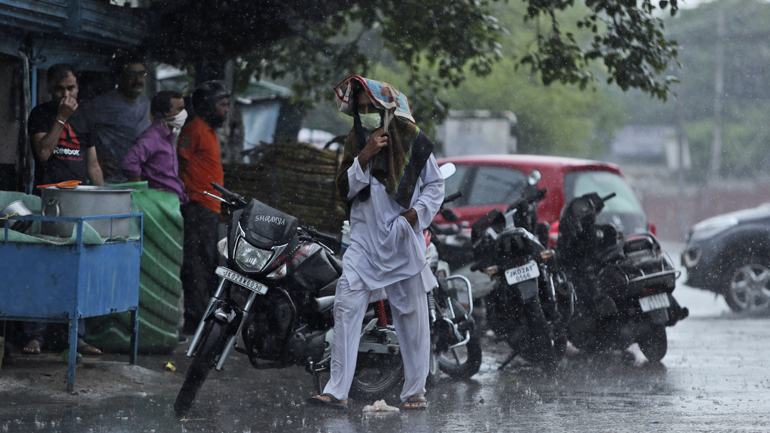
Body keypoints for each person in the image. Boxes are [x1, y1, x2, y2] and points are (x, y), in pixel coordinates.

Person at [309, 76, 444, 410]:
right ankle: (336, 390)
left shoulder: (411, 138)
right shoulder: (356, 141)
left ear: (387, 108)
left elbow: (435, 186)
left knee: (411, 317)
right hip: (363, 243)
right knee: (345, 307)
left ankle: (415, 390)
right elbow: (346, 190)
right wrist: (365, 155)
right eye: (362, 107)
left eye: (372, 107)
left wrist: (413, 217)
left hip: (400, 241)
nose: (366, 112)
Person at [24, 63, 104, 356]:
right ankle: (36, 336)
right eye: (60, 89)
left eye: (71, 88)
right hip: (49, 203)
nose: (66, 94)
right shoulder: (41, 114)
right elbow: (43, 153)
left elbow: (93, 163)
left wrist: (103, 199)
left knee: (78, 270)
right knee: (44, 269)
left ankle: (75, 336)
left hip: (80, 203)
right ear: (50, 89)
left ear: (78, 88)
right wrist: (61, 118)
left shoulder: (86, 116)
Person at [177, 80, 230, 335]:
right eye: (222, 104)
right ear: (208, 105)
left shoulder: (209, 130)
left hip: (210, 207)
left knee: (208, 262)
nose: (226, 109)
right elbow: (178, 163)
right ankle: (195, 320)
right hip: (197, 205)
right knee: (196, 264)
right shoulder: (194, 129)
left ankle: (205, 320)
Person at [83, 55, 151, 182]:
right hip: (110, 181)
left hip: (138, 180)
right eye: (131, 74)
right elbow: (77, 132)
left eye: (142, 74)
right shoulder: (101, 105)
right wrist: (91, 163)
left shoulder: (146, 104)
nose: (138, 79)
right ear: (119, 78)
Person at [121, 90, 188, 205]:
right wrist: (143, 192)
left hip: (172, 203)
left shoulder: (168, 137)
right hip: (160, 205)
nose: (184, 113)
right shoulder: (152, 138)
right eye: (180, 109)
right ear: (166, 112)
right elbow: (129, 163)